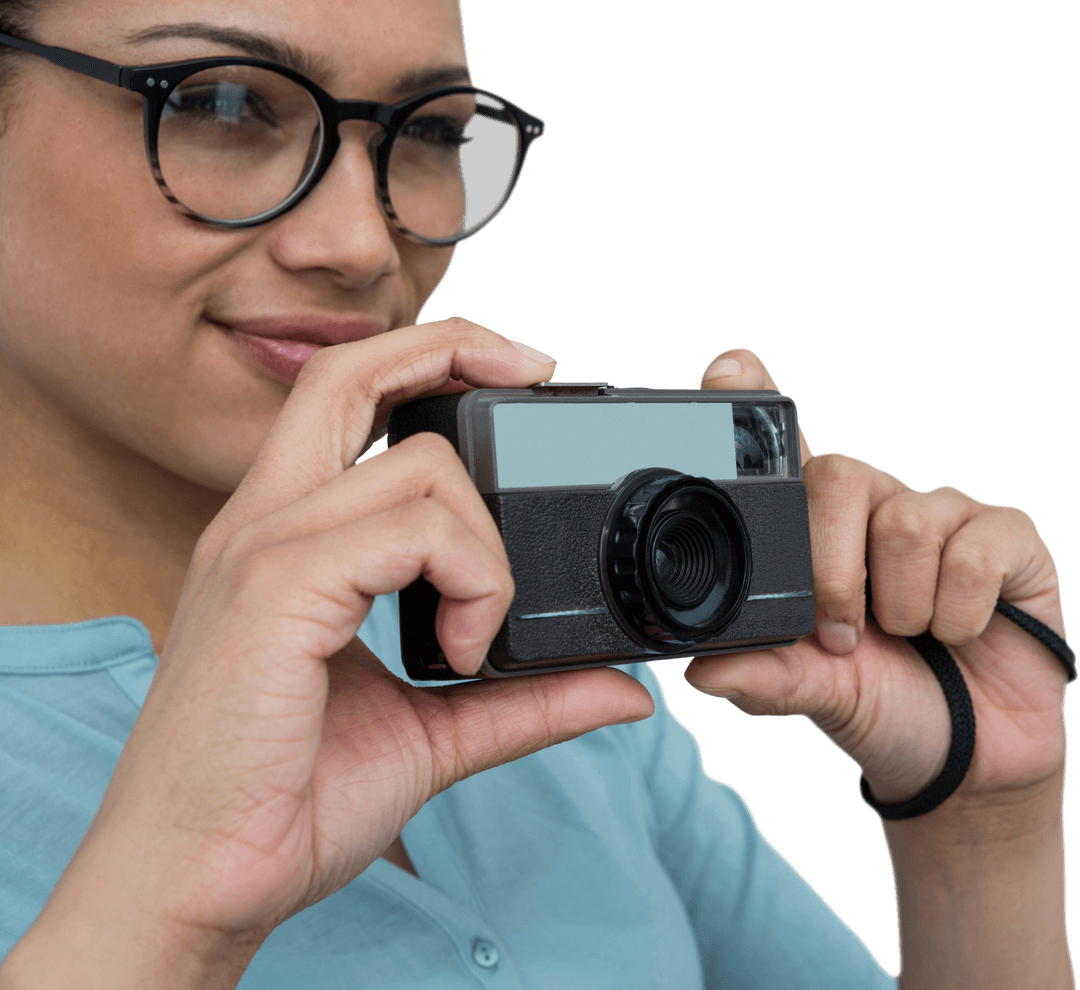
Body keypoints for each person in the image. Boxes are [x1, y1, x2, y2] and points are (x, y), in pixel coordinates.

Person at [0, 0, 1072, 987]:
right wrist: (164, 906)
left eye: (428, 132)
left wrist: (983, 826)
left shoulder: (517, 617)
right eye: (221, 105)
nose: (364, 247)